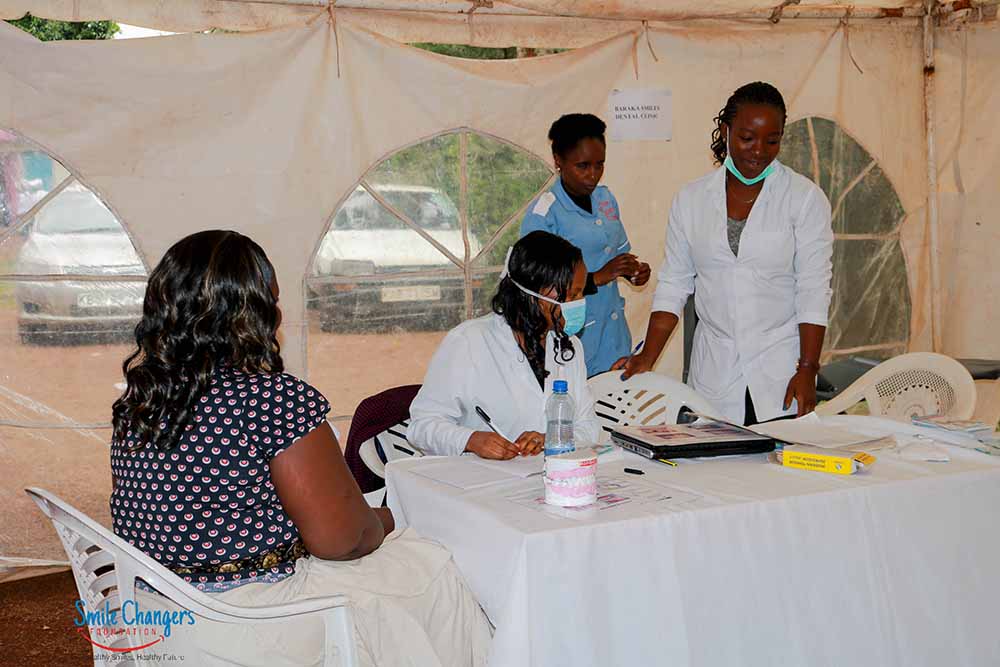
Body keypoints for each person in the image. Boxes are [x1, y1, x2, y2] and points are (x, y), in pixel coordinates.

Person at [109, 230, 491, 666]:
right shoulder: (272, 400)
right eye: (272, 299)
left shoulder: (141, 401)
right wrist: (389, 518)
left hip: (154, 608)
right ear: (252, 315)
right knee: (434, 565)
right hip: (249, 620)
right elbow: (340, 541)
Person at [618, 82, 834, 426]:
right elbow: (674, 284)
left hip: (780, 367)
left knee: (780, 469)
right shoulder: (691, 200)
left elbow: (813, 288)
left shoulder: (804, 199)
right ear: (726, 130)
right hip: (715, 370)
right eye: (747, 138)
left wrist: (807, 368)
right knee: (714, 469)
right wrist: (648, 356)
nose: (759, 151)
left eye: (772, 140)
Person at [408, 231, 600, 459]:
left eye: (580, 293)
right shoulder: (469, 341)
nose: (578, 303)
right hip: (478, 479)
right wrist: (470, 440)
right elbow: (421, 426)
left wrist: (549, 438)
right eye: (570, 295)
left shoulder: (568, 347)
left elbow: (589, 427)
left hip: (544, 477)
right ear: (531, 294)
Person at [520, 113, 652, 377]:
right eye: (582, 166)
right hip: (571, 337)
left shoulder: (605, 200)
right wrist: (599, 277)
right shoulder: (544, 213)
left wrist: (633, 270)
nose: (593, 175)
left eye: (599, 164)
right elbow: (535, 286)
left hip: (613, 337)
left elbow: (618, 253)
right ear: (558, 160)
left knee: (614, 409)